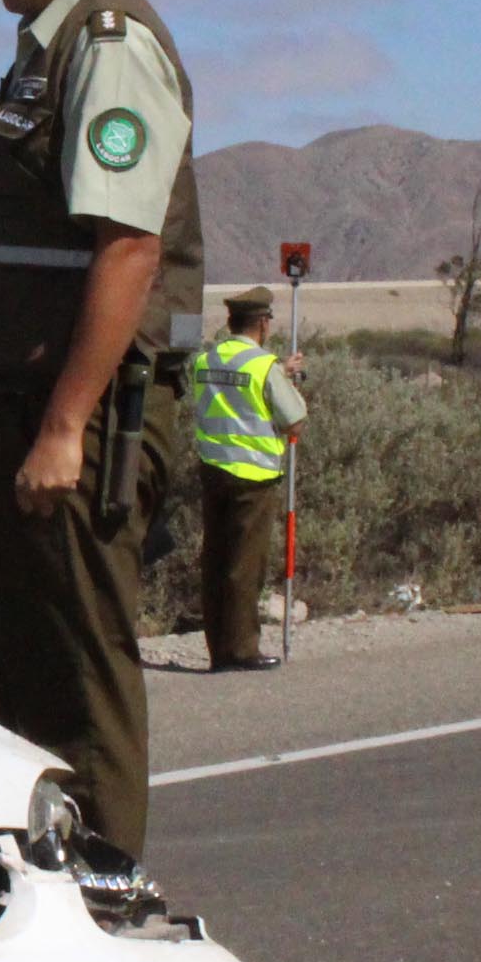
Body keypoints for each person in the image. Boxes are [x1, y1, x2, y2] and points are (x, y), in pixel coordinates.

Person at [0, 0, 203, 859]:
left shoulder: (110, 45)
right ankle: (57, 892)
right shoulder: (50, 45)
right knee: (33, 675)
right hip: (35, 412)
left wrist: (64, 427)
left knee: (81, 682)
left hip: (83, 423)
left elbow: (128, 251)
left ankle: (107, 894)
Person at [187, 287, 307, 673]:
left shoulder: (208, 359)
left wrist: (278, 371)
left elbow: (233, 392)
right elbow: (293, 420)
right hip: (253, 475)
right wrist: (286, 381)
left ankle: (218, 648)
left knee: (216, 559)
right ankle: (241, 649)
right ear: (263, 323)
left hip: (213, 468)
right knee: (244, 564)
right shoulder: (262, 365)